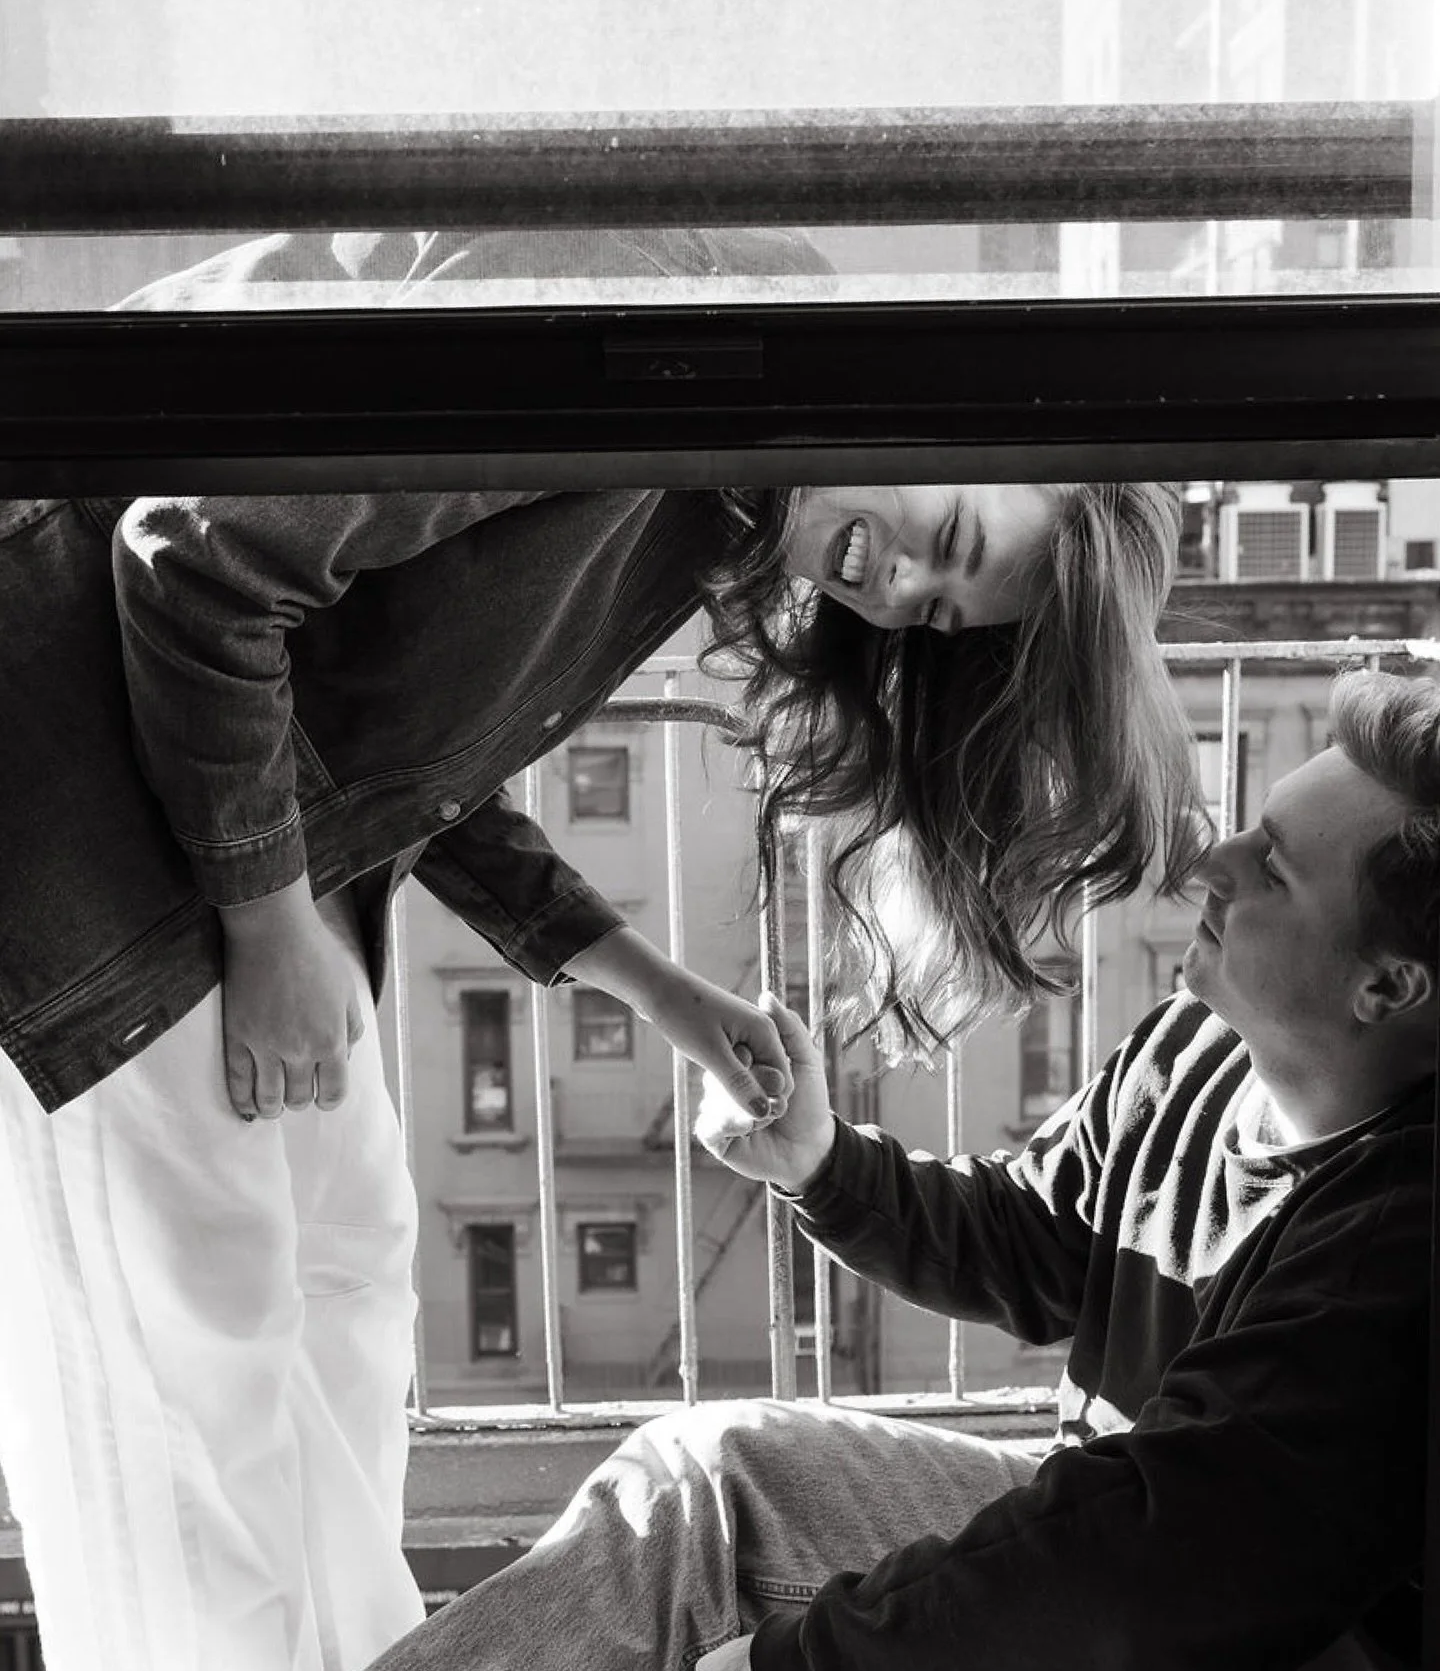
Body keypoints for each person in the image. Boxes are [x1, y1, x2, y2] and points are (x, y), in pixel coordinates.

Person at [0, 463, 1202, 1669]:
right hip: (99, 895)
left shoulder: (706, 505)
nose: (898, 584)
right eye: (945, 537)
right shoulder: (667, 394)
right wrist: (265, 921)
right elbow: (195, 553)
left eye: (935, 610)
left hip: (248, 905)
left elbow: (395, 742)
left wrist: (654, 986)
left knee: (350, 1288)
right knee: (176, 1425)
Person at [366, 666, 1439, 1671]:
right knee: (711, 1483)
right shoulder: (1190, 1051)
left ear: (1387, 988)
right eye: (1251, 826)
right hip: (1109, 1548)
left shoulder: (1399, 1239)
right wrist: (824, 1165)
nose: (1214, 862)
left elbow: (1157, 1563)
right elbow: (1028, 1237)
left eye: (1276, 871)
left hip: (1211, 1627)